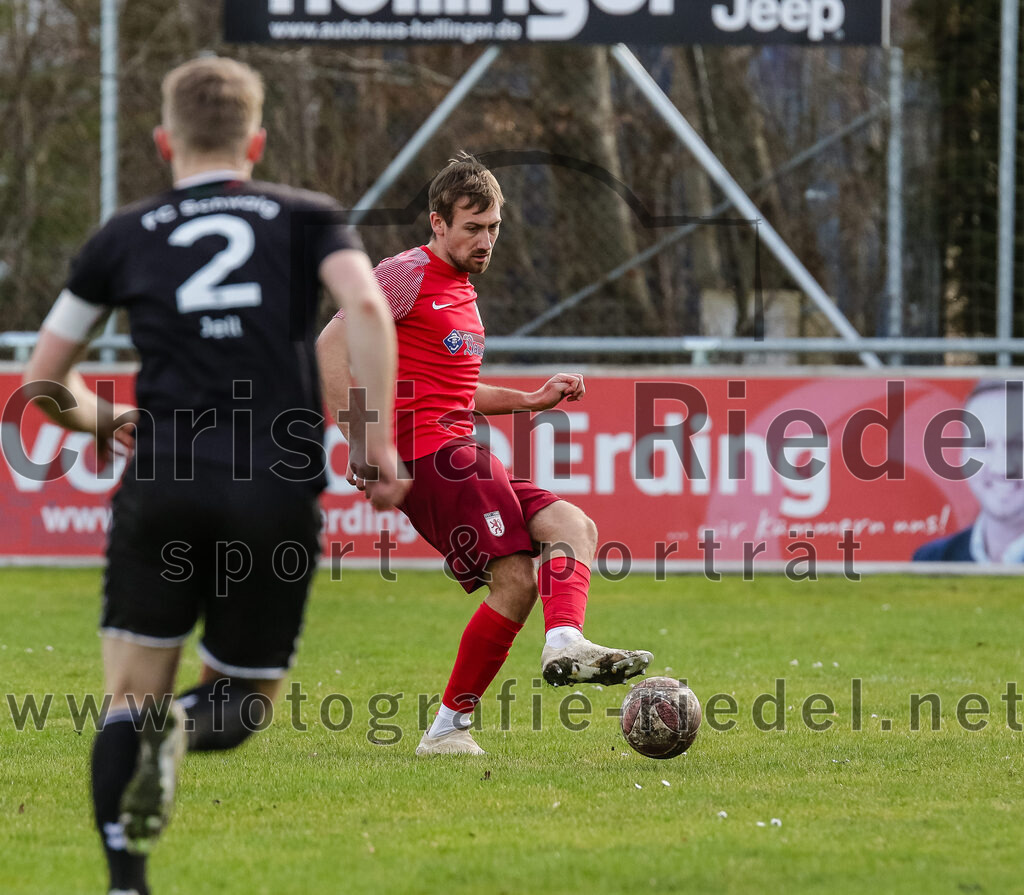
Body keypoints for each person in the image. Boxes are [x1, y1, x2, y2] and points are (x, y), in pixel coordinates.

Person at [22, 57, 406, 895]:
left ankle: (126, 882)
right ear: (257, 142)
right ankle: (183, 735)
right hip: (273, 489)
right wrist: (375, 442)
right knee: (242, 705)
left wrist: (104, 419)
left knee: (129, 695)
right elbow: (370, 309)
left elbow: (40, 384)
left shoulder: (124, 234)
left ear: (164, 141)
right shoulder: (307, 216)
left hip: (163, 483)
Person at [317, 153, 652, 756]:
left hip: (459, 447)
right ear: (437, 223)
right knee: (517, 579)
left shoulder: (462, 292)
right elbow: (329, 350)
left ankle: (539, 659)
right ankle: (472, 711)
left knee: (572, 525)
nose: (486, 239)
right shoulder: (405, 273)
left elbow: (456, 389)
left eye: (494, 227)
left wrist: (531, 399)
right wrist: (363, 439)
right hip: (431, 458)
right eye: (473, 227)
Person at [914, 380, 1024, 563]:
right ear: (962, 458)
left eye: (1019, 445)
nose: (1001, 466)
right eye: (982, 445)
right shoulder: (931, 560)